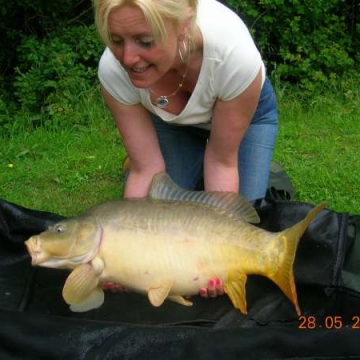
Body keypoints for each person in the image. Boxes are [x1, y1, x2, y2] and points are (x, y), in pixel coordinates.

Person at [93, 0, 278, 297]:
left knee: (245, 218)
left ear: (183, 28)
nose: (128, 58)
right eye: (116, 41)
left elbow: (221, 162)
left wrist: (218, 256)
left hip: (247, 113)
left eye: (145, 41)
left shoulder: (234, 55)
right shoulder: (113, 69)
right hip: (170, 118)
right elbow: (146, 169)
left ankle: (254, 160)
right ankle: (186, 159)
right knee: (161, 198)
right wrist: (126, 257)